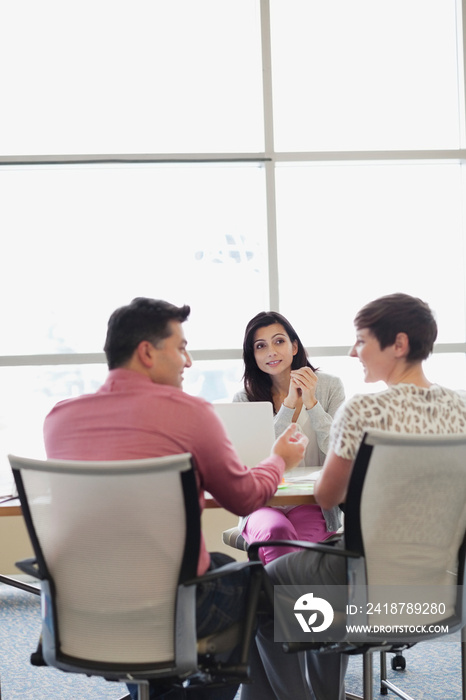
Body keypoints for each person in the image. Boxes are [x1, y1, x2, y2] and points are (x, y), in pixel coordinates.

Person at [43, 297, 308, 700]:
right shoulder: (189, 413)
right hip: (171, 606)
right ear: (147, 352)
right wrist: (279, 460)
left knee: (220, 567)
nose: (188, 361)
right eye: (181, 347)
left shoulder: (58, 418)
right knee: (258, 589)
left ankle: (154, 691)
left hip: (78, 608)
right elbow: (245, 498)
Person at [240, 293, 466, 700]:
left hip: (364, 576)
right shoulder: (461, 408)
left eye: (361, 340)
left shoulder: (362, 410)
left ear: (398, 345)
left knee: (256, 591)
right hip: (439, 586)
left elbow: (328, 493)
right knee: (304, 600)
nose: (352, 350)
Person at [233, 311, 345, 563]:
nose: (271, 351)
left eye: (279, 341)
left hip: (313, 503)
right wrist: (288, 405)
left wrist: (312, 403)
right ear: (253, 356)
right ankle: (291, 601)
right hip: (263, 503)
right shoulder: (244, 398)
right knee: (276, 532)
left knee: (288, 547)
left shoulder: (329, 387)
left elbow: (337, 450)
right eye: (260, 346)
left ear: (294, 346)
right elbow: (258, 457)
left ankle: (268, 600)